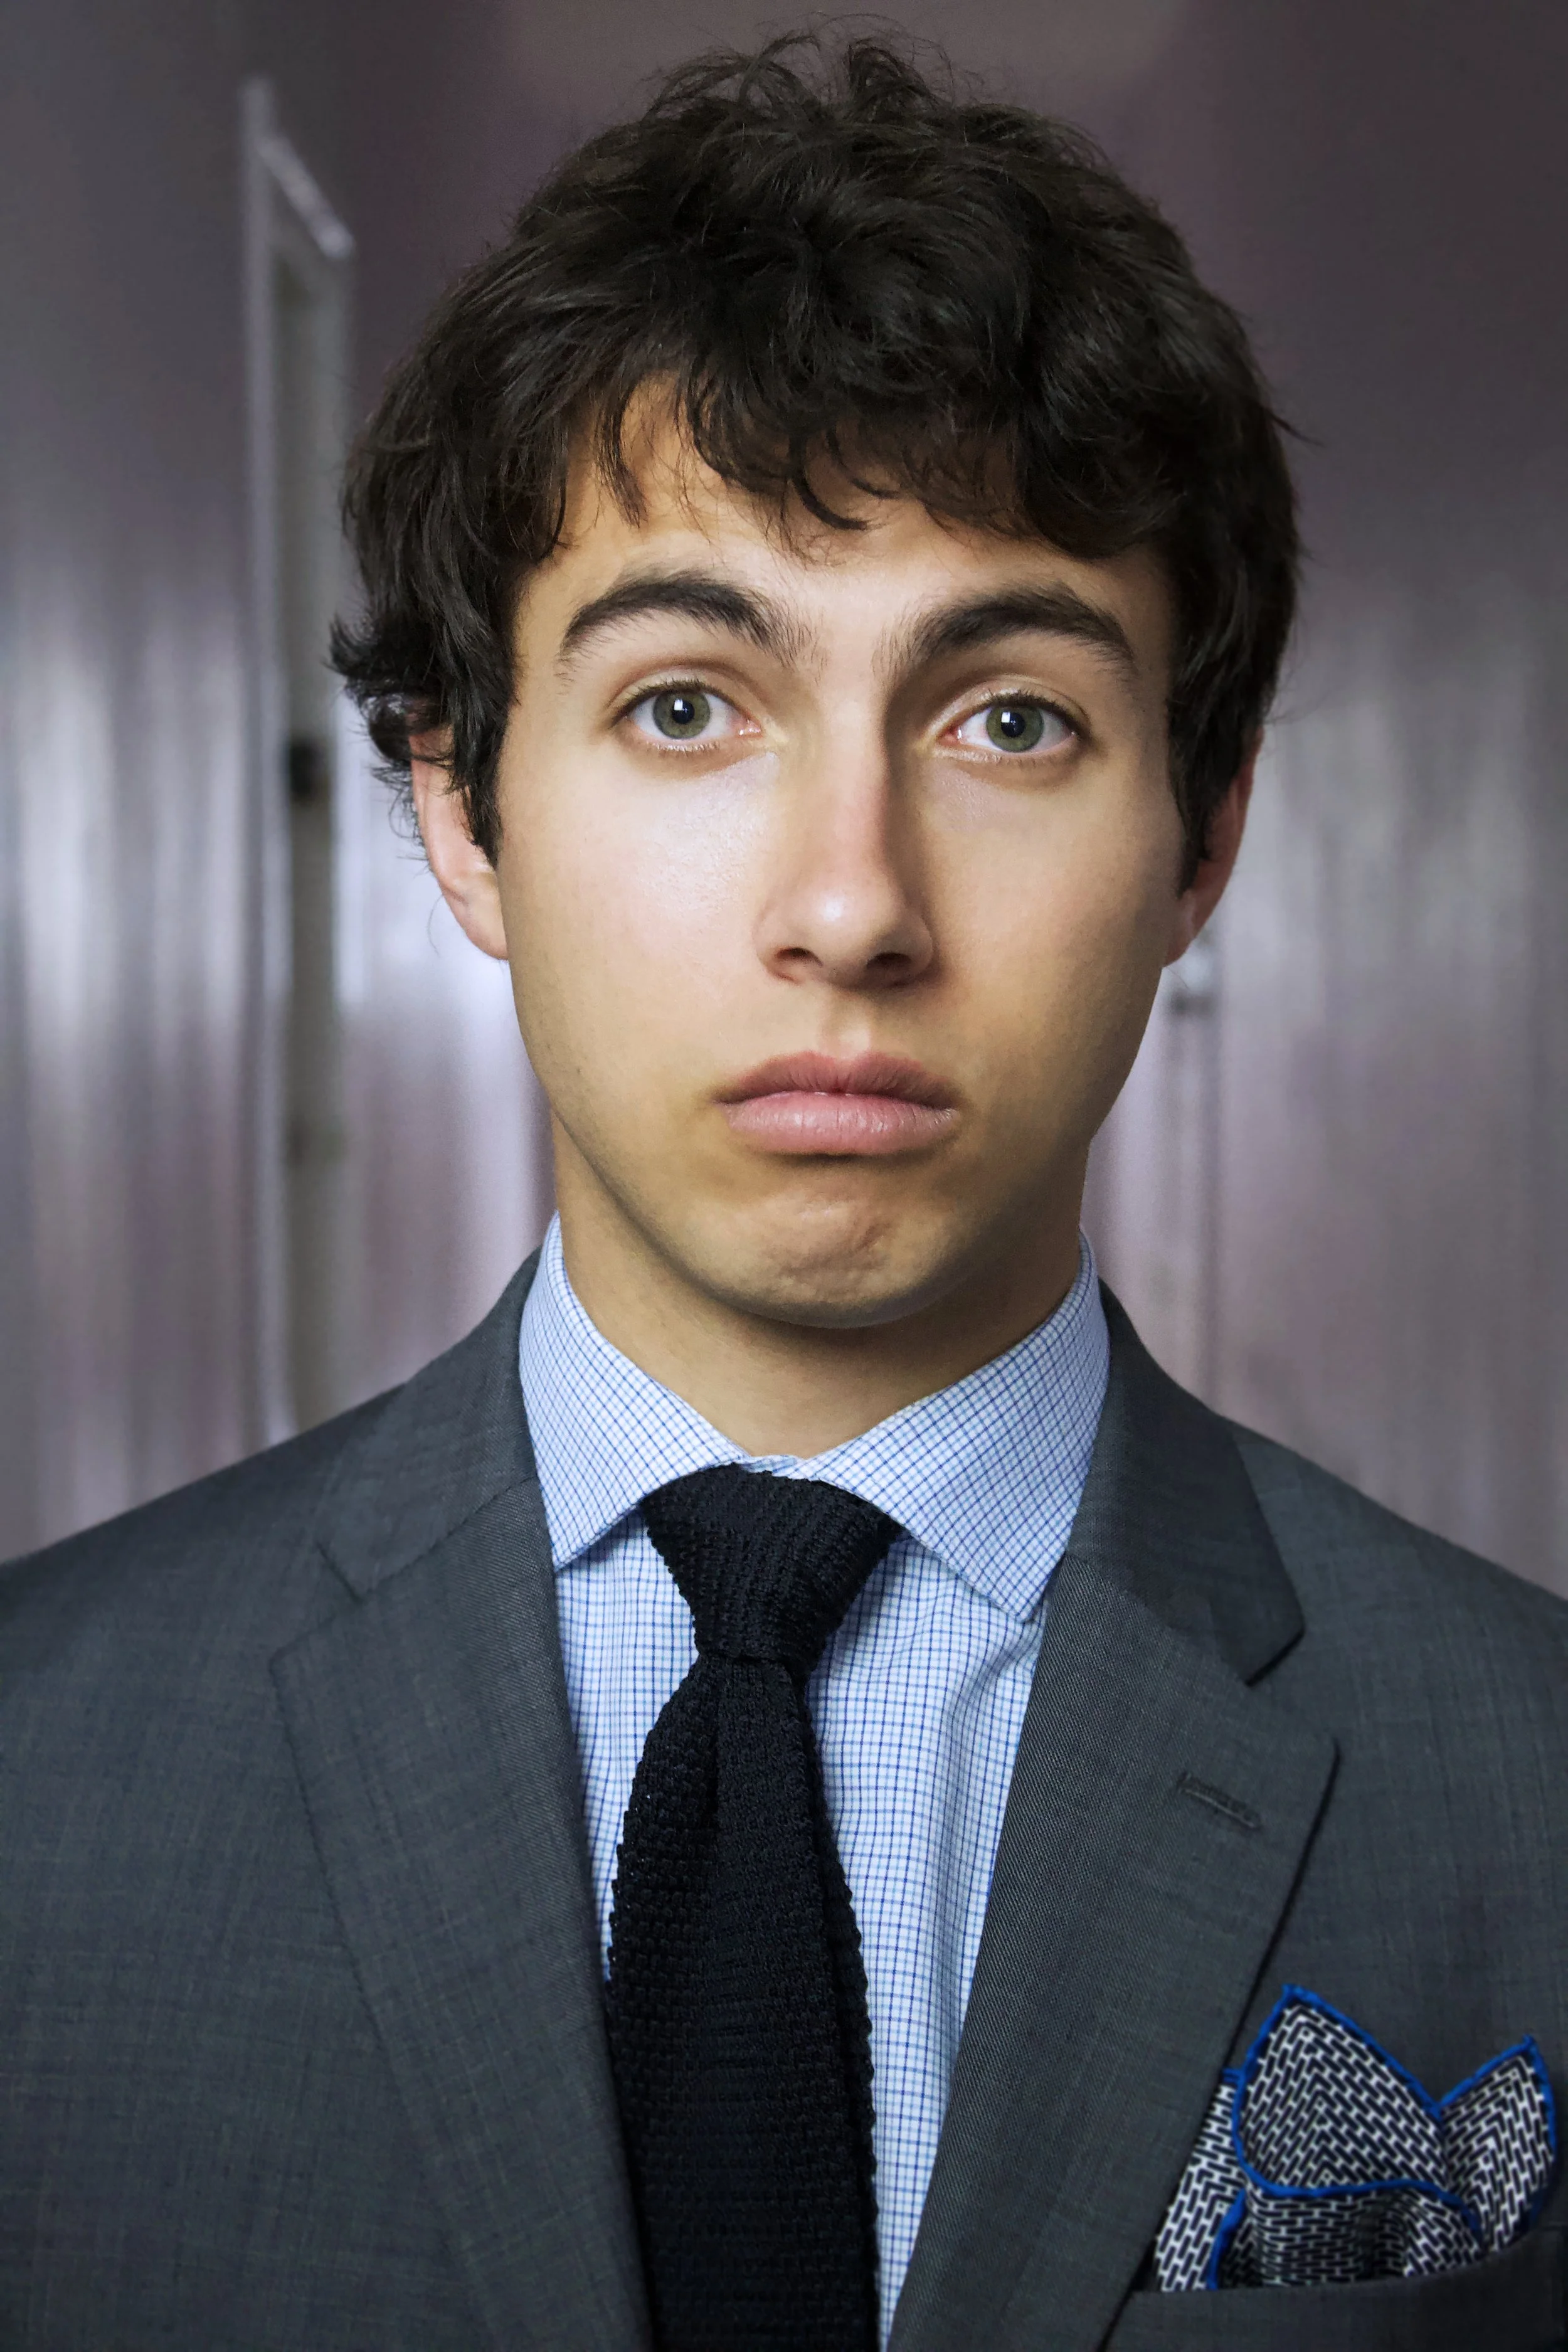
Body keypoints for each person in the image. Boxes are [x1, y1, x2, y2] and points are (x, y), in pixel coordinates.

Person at [4, 34, 1565, 2352]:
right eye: (684, 705)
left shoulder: (1526, 1785)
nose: (849, 905)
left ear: (1201, 834)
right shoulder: (43, 1767)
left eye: (1008, 717)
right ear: (461, 809)